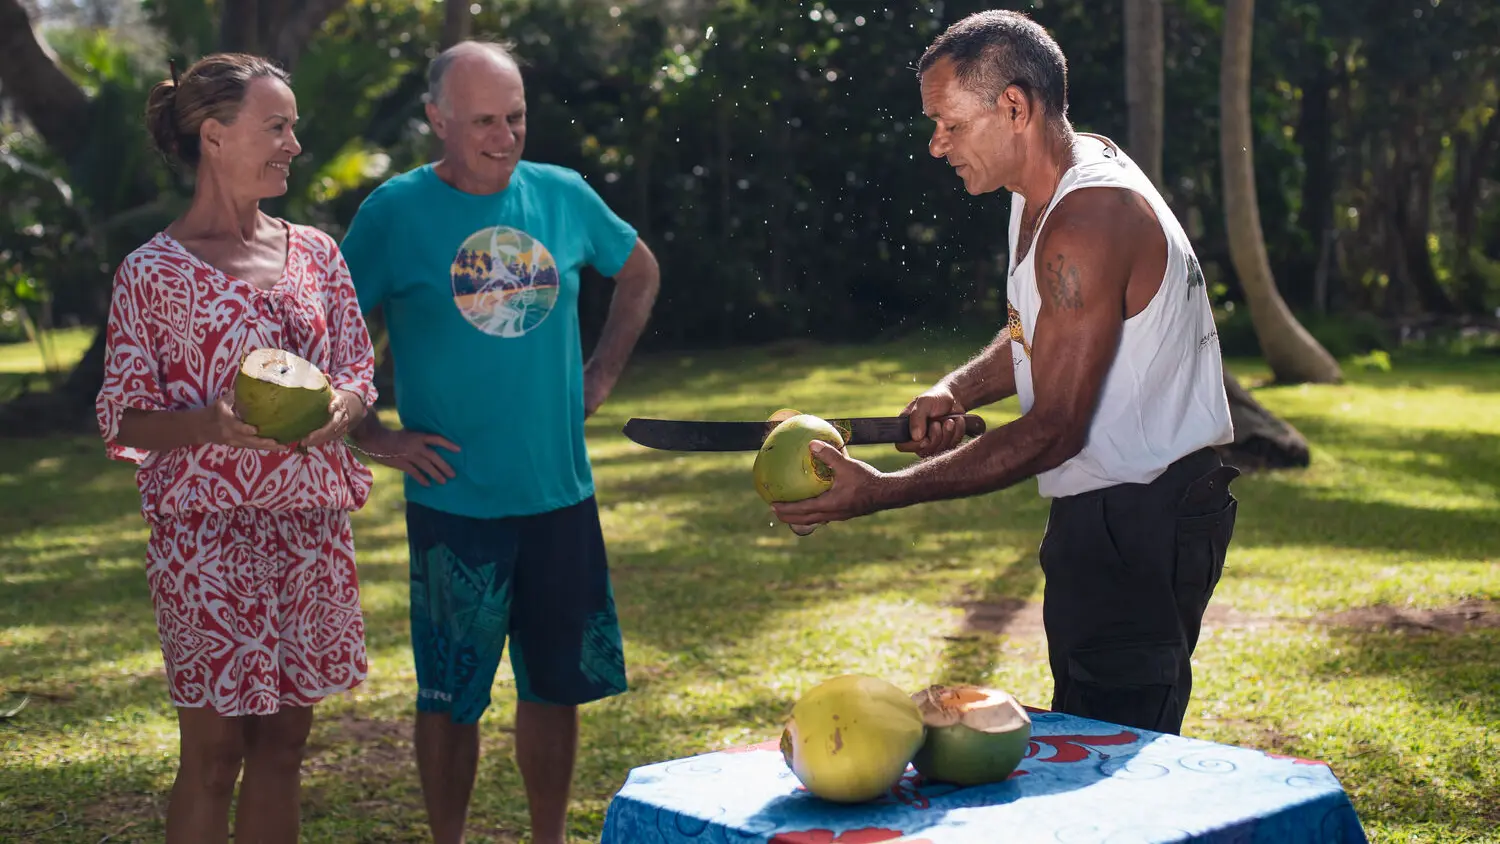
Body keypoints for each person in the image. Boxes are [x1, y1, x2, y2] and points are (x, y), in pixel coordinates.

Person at [771, 10, 1240, 738]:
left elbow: (1053, 428)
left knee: (1113, 750)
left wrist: (880, 493)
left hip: (1144, 513)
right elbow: (1039, 327)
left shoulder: (1089, 216)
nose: (936, 146)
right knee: (1092, 722)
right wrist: (954, 390)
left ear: (1014, 107)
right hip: (1106, 508)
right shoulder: (1041, 188)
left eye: (950, 125)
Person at [340, 40, 661, 844]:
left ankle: (546, 836)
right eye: (482, 119)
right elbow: (332, 330)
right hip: (455, 502)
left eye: (514, 116)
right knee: (450, 696)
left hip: (560, 495)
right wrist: (372, 434)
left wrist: (601, 374)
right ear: (436, 119)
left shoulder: (563, 195)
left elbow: (640, 271)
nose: (503, 134)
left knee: (554, 689)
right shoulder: (395, 213)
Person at [95, 53, 378, 843]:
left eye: (293, 127)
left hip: (312, 528)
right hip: (207, 539)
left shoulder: (317, 253)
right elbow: (123, 416)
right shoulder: (150, 272)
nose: (293, 144)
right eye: (276, 127)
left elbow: (357, 364)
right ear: (215, 136)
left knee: (286, 743)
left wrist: (350, 400)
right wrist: (209, 426)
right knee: (214, 753)